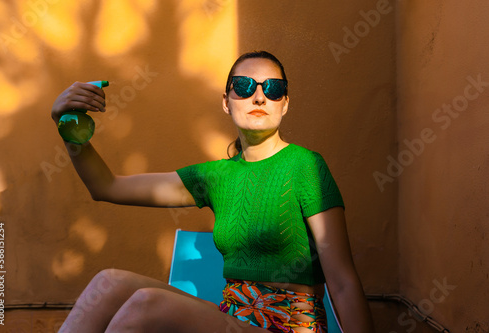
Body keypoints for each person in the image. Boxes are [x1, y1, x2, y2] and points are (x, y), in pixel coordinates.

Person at [51, 51, 374, 333]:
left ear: (285, 104)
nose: (259, 97)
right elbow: (106, 186)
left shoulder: (305, 166)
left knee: (148, 304)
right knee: (109, 282)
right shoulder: (216, 176)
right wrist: (68, 126)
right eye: (245, 86)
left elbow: (343, 281)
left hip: (288, 325)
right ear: (226, 100)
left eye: (274, 89)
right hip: (232, 317)